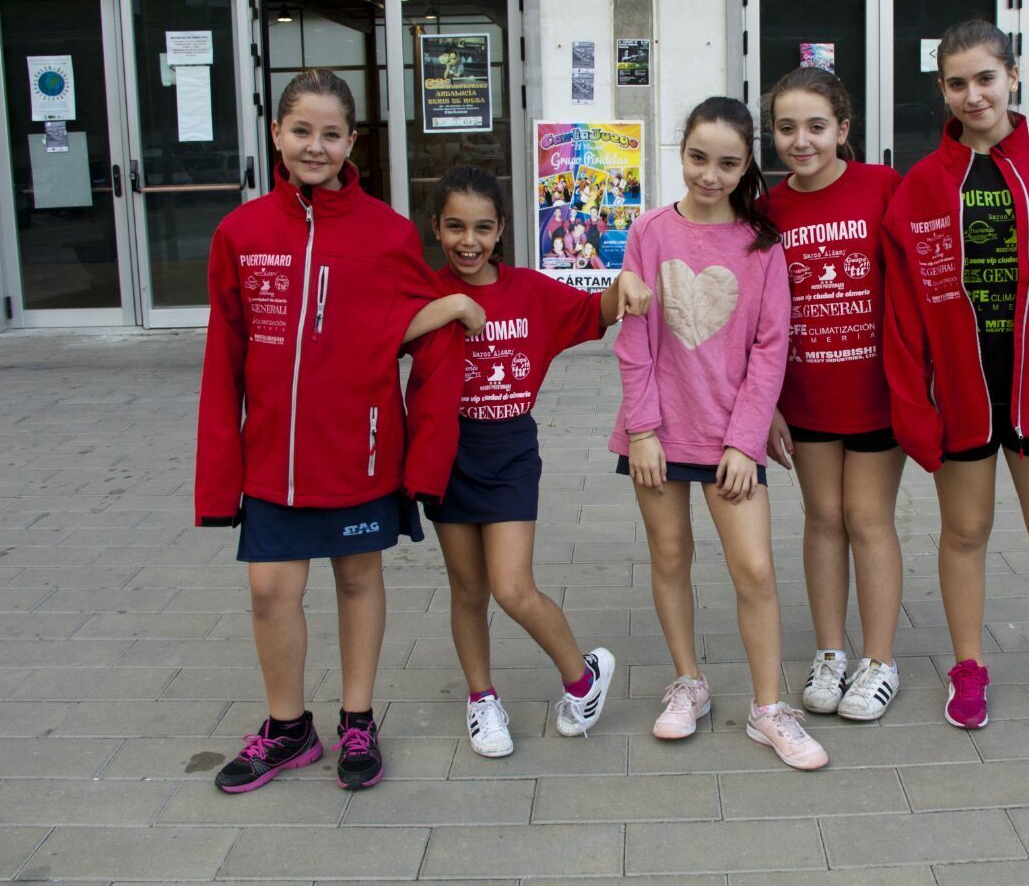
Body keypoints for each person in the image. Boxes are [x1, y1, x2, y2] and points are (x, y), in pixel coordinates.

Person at [195, 69, 486, 793]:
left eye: (331, 134)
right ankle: (288, 729)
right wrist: (218, 473)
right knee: (269, 590)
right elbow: (222, 358)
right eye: (302, 131)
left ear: (352, 141)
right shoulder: (241, 233)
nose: (315, 147)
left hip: (358, 453)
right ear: (277, 135)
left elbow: (401, 329)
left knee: (358, 579)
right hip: (272, 458)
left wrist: (448, 307)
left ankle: (357, 718)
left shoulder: (387, 234)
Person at [882, 21, 1029, 735]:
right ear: (942, 92)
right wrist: (913, 409)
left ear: (1013, 78)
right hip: (961, 394)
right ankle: (968, 666)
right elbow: (902, 312)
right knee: (965, 532)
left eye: (986, 77)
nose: (973, 94)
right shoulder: (922, 186)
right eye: (957, 83)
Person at [612, 96, 826, 770]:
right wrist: (643, 429)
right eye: (698, 158)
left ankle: (768, 708)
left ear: (745, 167)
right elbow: (635, 340)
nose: (710, 175)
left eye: (727, 163)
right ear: (682, 152)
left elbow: (770, 348)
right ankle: (689, 683)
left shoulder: (761, 245)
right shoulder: (648, 232)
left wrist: (743, 440)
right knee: (670, 557)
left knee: (755, 570)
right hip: (656, 433)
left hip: (727, 435)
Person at [427, 165, 652, 758]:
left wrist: (626, 283)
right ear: (437, 228)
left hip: (509, 456)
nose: (468, 241)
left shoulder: (528, 291)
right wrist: (448, 306)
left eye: (481, 227)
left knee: (512, 588)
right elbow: (381, 334)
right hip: (445, 457)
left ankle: (582, 677)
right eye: (454, 227)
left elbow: (595, 311)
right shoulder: (424, 293)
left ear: (501, 228)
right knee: (468, 589)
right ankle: (482, 701)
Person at [761, 66, 906, 722]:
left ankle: (879, 660)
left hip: (877, 394)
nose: (801, 140)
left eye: (816, 126)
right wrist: (767, 405)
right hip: (807, 395)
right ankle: (831, 651)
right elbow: (755, 316)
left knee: (868, 519)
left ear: (843, 130)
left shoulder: (882, 187)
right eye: (787, 127)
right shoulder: (767, 210)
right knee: (823, 518)